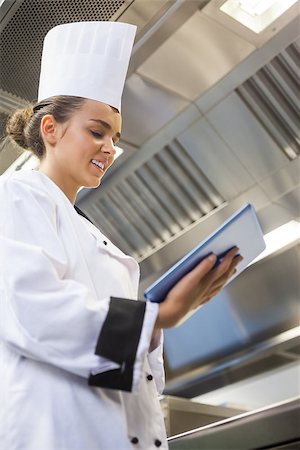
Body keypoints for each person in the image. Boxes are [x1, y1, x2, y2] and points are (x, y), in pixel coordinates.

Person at [0, 22, 242, 450]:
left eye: (115, 136)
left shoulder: (90, 232)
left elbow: (122, 368)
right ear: (50, 130)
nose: (110, 147)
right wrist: (158, 316)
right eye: (97, 132)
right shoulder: (16, 196)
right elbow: (32, 311)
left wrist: (152, 326)